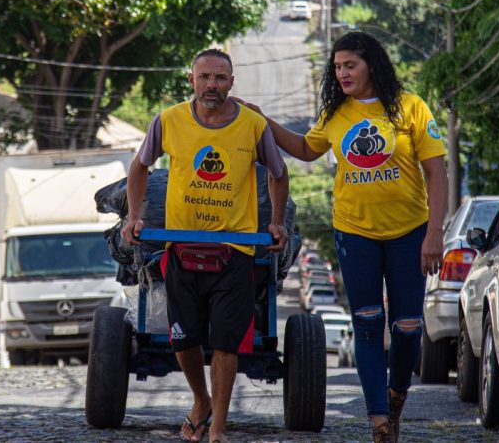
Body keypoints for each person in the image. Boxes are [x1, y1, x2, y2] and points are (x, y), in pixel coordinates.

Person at [236, 32, 447, 443]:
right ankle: (379, 423)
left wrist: (434, 234)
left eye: (350, 65)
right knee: (368, 325)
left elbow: (437, 173)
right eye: (337, 67)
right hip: (354, 232)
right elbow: (305, 148)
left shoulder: (411, 107)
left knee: (407, 327)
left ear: (371, 64)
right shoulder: (336, 114)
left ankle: (397, 392)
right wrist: (262, 121)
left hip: (410, 234)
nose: (342, 73)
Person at [122, 48, 289, 443]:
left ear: (232, 82)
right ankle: (201, 399)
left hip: (235, 254)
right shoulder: (168, 121)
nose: (212, 85)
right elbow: (139, 167)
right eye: (204, 77)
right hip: (181, 249)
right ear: (192, 80)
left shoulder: (252, 124)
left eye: (220, 78)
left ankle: (217, 428)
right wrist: (134, 216)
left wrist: (277, 222)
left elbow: (278, 174)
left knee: (227, 344)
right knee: (183, 339)